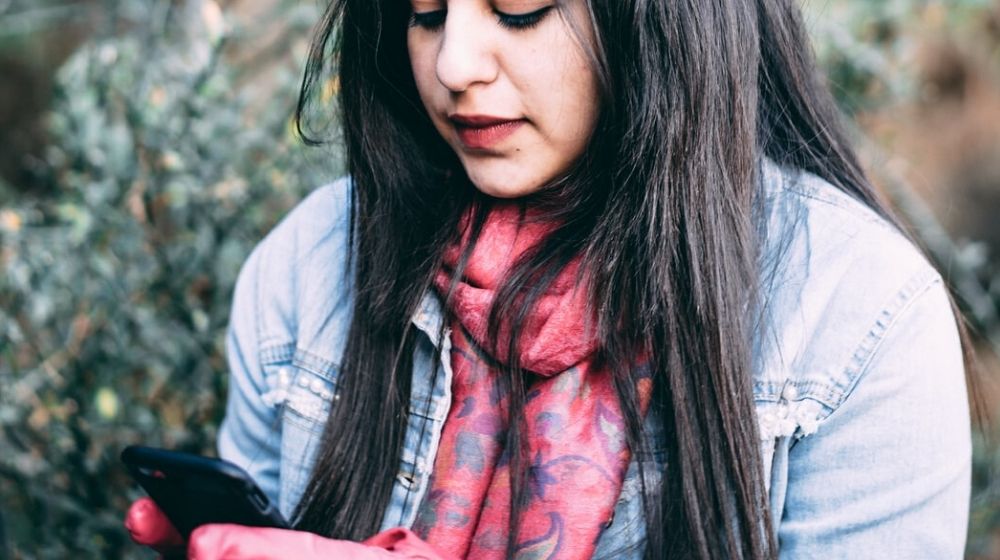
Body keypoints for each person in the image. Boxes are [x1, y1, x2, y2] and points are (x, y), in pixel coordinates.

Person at [124, 0, 976, 558]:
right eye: (424, 12)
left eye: (519, 8)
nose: (455, 62)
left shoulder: (857, 316)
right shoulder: (308, 266)